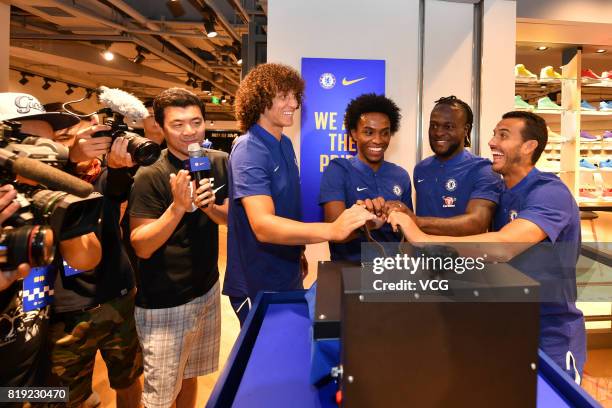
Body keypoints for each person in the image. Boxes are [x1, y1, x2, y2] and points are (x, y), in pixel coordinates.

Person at [388, 111, 586, 381]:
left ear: (529, 147)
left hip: (549, 336)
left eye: (503, 135)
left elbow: (503, 245)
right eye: (494, 134)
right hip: (506, 330)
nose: (492, 142)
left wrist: (421, 236)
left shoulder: (549, 192)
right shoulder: (502, 192)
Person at [224, 63, 374, 325]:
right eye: (284, 96)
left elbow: (285, 207)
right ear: (260, 100)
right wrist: (332, 230)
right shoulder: (249, 149)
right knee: (267, 359)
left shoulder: (284, 143)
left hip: (286, 269)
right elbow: (263, 225)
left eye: (295, 96)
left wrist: (298, 251)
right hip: (257, 280)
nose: (294, 103)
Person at [129, 87, 227, 408]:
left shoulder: (218, 162)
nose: (189, 132)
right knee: (159, 397)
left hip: (207, 290)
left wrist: (210, 206)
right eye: (178, 124)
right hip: (164, 303)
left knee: (190, 375)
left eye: (196, 122)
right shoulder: (150, 175)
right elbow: (141, 245)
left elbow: (229, 218)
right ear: (161, 127)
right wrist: (177, 208)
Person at [319, 93, 412, 262]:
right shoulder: (338, 169)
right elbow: (334, 230)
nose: (378, 140)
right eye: (368, 132)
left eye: (384, 133)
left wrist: (397, 215)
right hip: (348, 272)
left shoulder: (401, 175)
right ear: (354, 133)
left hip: (393, 275)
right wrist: (367, 220)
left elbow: (408, 232)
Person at [411, 96, 502, 235]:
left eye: (448, 126)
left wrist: (413, 222)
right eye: (433, 125)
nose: (438, 132)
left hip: (465, 256)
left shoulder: (483, 170)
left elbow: (476, 224)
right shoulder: (421, 169)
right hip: (424, 256)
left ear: (466, 130)